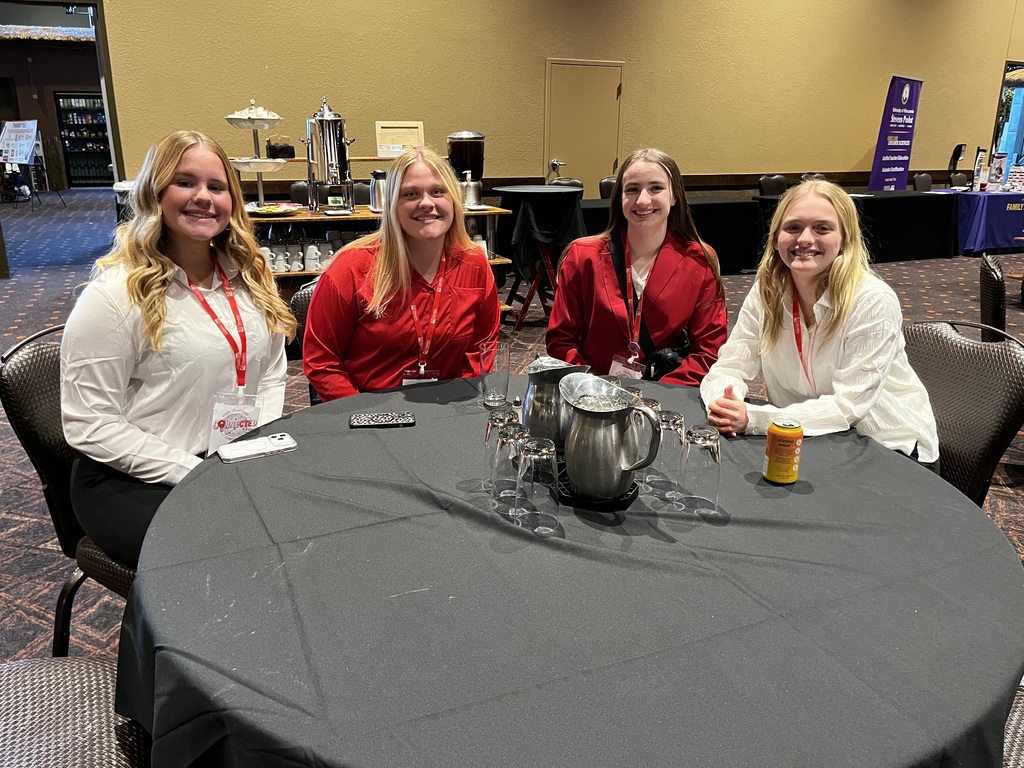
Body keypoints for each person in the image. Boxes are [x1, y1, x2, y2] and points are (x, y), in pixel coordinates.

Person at [60, 130, 296, 567]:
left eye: (217, 186)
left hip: (225, 459)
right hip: (132, 478)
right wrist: (195, 472)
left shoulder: (248, 277)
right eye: (185, 182)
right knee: (240, 554)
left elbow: (271, 370)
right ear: (155, 193)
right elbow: (89, 423)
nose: (203, 197)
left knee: (308, 520)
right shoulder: (115, 295)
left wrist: (250, 445)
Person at [700, 179, 939, 465]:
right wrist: (724, 402)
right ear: (776, 238)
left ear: (845, 240)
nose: (804, 239)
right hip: (804, 438)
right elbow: (728, 368)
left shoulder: (873, 300)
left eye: (822, 228)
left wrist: (754, 419)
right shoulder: (768, 290)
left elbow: (848, 407)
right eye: (793, 228)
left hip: (887, 446)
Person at [303, 148, 500, 400]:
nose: (426, 203)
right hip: (367, 408)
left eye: (437, 191)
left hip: (447, 406)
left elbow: (480, 351)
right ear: (392, 204)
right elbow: (321, 360)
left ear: (453, 200)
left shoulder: (474, 263)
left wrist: (458, 410)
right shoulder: (351, 266)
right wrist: (362, 418)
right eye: (411, 194)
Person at [545, 148, 727, 385]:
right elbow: (561, 340)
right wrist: (592, 386)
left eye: (656, 188)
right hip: (593, 395)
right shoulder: (582, 257)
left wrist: (661, 395)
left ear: (674, 196)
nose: (642, 200)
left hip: (667, 395)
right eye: (632, 189)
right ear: (619, 197)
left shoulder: (700, 260)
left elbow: (709, 351)